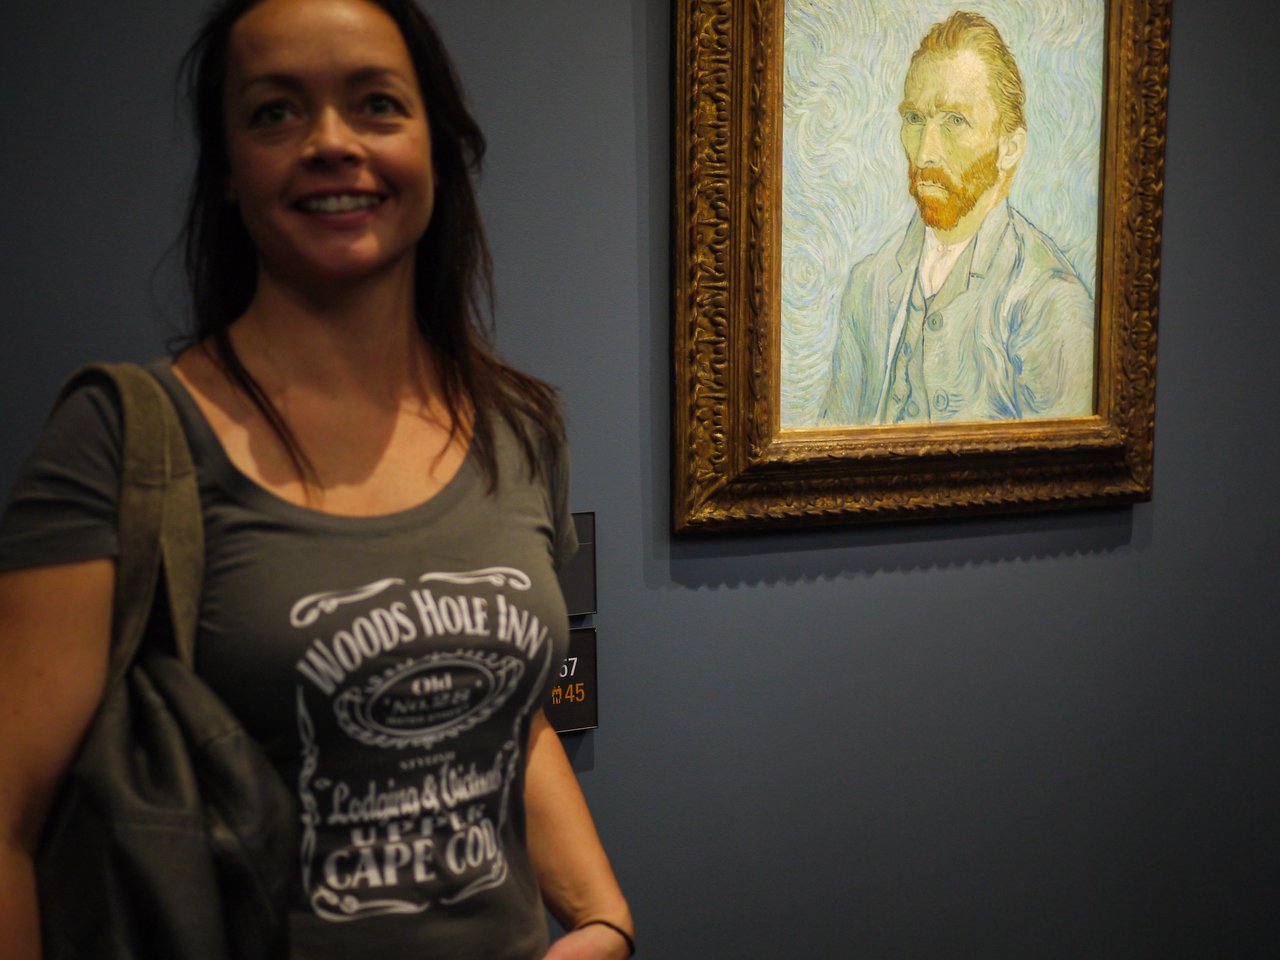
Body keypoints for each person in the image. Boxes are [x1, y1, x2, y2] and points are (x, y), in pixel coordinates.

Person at [0, 0, 633, 957]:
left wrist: (603, 920)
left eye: (377, 104)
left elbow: (514, 716)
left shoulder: (519, 430)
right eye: (275, 112)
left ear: (438, 147)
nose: (332, 143)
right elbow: (7, 822)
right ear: (225, 171)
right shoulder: (124, 438)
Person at [819, 10, 1095, 426]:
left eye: (954, 121)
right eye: (914, 119)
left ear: (1010, 148)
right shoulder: (868, 287)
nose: (925, 151)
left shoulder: (1049, 301)